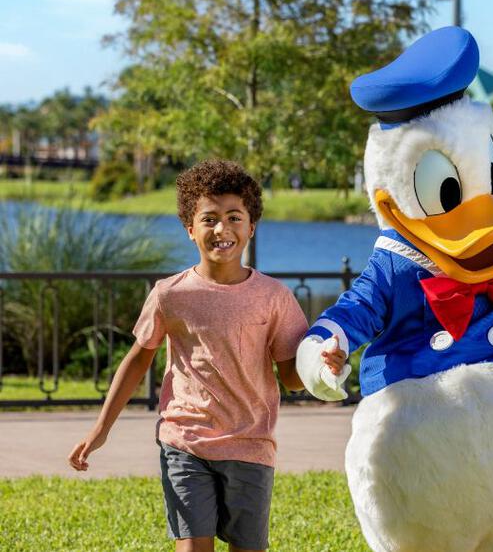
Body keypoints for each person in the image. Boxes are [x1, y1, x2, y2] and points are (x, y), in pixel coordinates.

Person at [68, 159, 337, 552]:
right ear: (190, 228)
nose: (222, 229)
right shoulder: (169, 294)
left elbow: (292, 377)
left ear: (251, 226)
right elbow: (138, 359)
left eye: (234, 217)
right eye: (209, 219)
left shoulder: (274, 298)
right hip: (185, 441)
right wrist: (100, 430)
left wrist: (323, 367)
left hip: (250, 443)